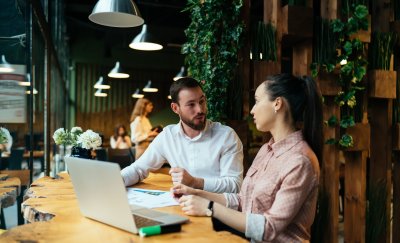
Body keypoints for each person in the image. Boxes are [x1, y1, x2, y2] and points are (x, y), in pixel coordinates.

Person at [172, 74, 323, 242]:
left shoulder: (300, 161)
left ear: (277, 104)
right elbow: (243, 200)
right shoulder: (266, 149)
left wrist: (209, 207)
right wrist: (197, 193)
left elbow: (269, 228)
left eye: (257, 101)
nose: (252, 109)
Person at [121, 77, 243, 193]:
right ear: (175, 108)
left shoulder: (226, 136)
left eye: (202, 101)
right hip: (181, 206)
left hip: (216, 210)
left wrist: (196, 182)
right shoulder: (167, 137)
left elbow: (235, 185)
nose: (200, 109)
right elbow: (138, 169)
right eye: (191, 104)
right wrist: (116, 180)